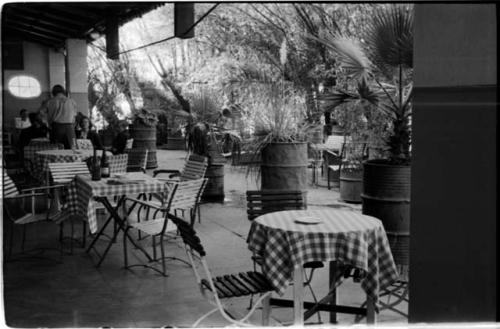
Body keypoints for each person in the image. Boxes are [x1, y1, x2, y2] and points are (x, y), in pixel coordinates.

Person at [40, 84, 78, 149]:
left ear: (53, 92)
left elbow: (41, 113)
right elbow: (75, 114)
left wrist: (46, 123)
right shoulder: (72, 101)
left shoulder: (50, 101)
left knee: (56, 149)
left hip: (56, 127)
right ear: (63, 91)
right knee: (73, 149)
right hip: (70, 128)